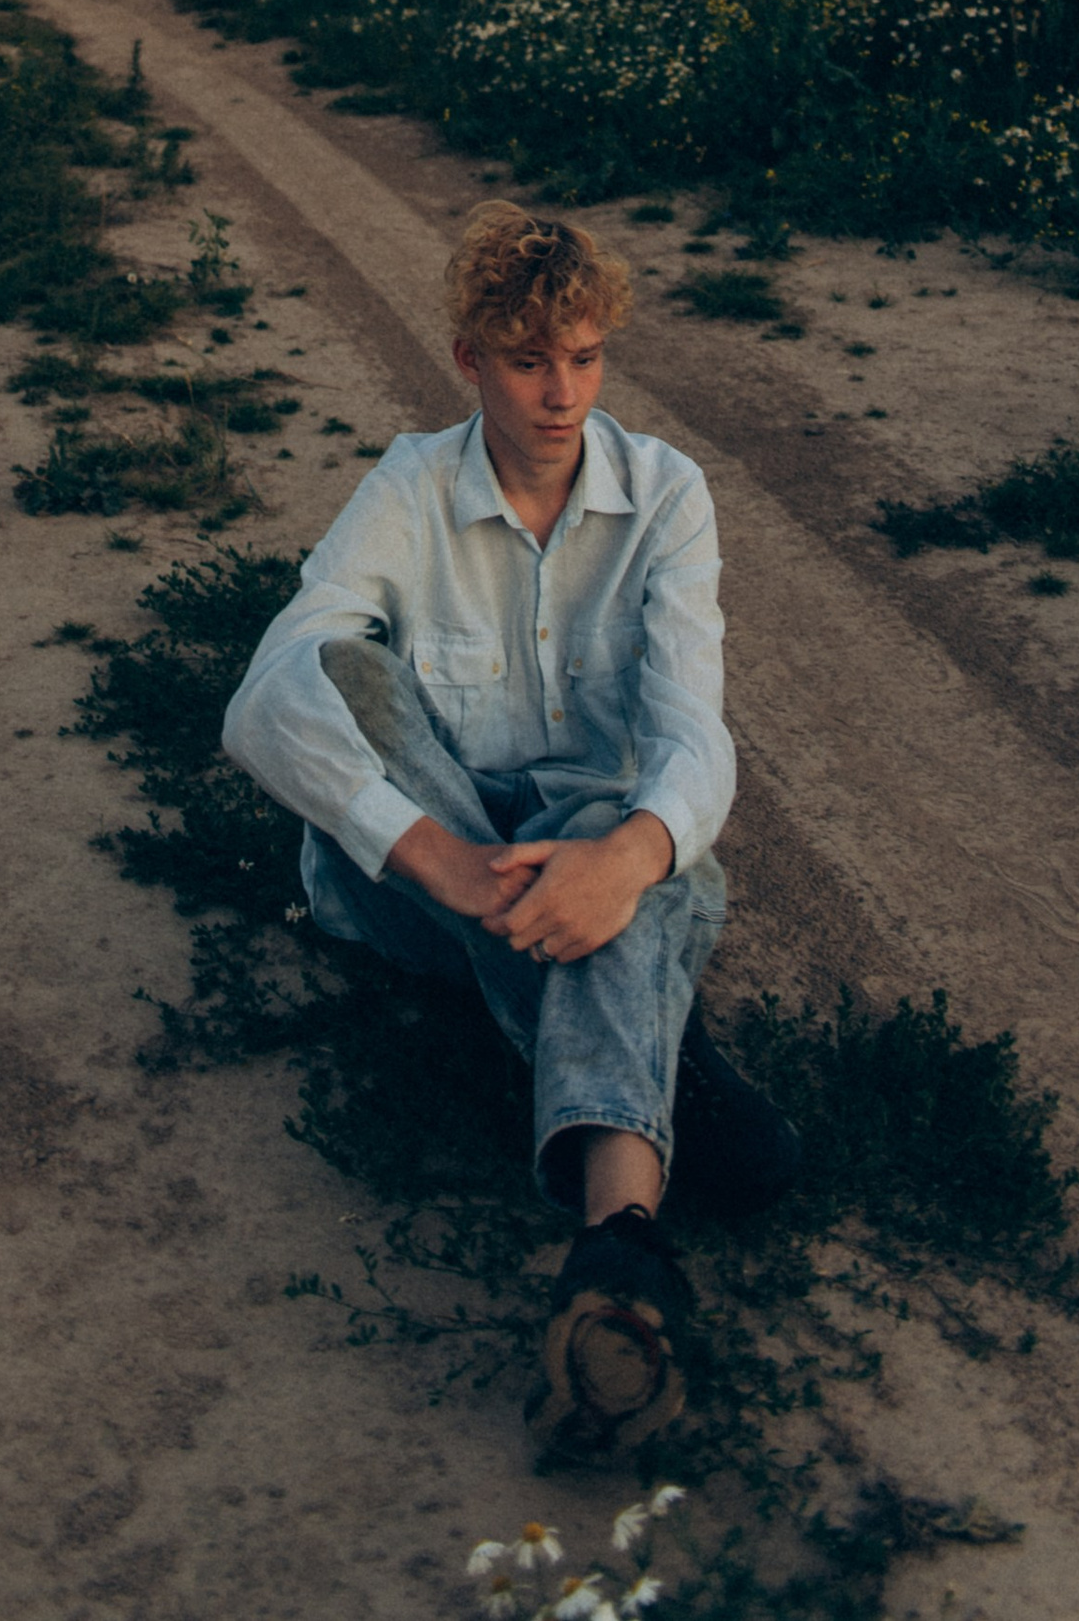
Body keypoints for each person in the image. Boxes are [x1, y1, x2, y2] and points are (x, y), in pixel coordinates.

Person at [222, 199, 797, 1458]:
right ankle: (665, 1056)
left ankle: (619, 1246)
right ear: (470, 357)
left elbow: (695, 733)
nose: (560, 393)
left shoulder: (665, 496)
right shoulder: (410, 485)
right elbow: (267, 697)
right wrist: (452, 866)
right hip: (421, 878)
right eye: (530, 360)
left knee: (638, 822)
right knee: (347, 669)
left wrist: (624, 859)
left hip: (587, 864)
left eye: (584, 358)